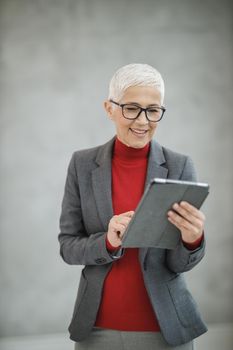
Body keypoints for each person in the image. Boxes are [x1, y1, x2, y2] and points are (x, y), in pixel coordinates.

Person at [58, 63, 207, 350]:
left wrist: (193, 240)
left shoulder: (180, 166)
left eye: (153, 110)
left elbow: (179, 264)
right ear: (109, 108)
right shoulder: (82, 164)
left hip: (165, 328)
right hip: (97, 329)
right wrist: (108, 243)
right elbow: (68, 246)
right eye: (131, 108)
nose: (143, 121)